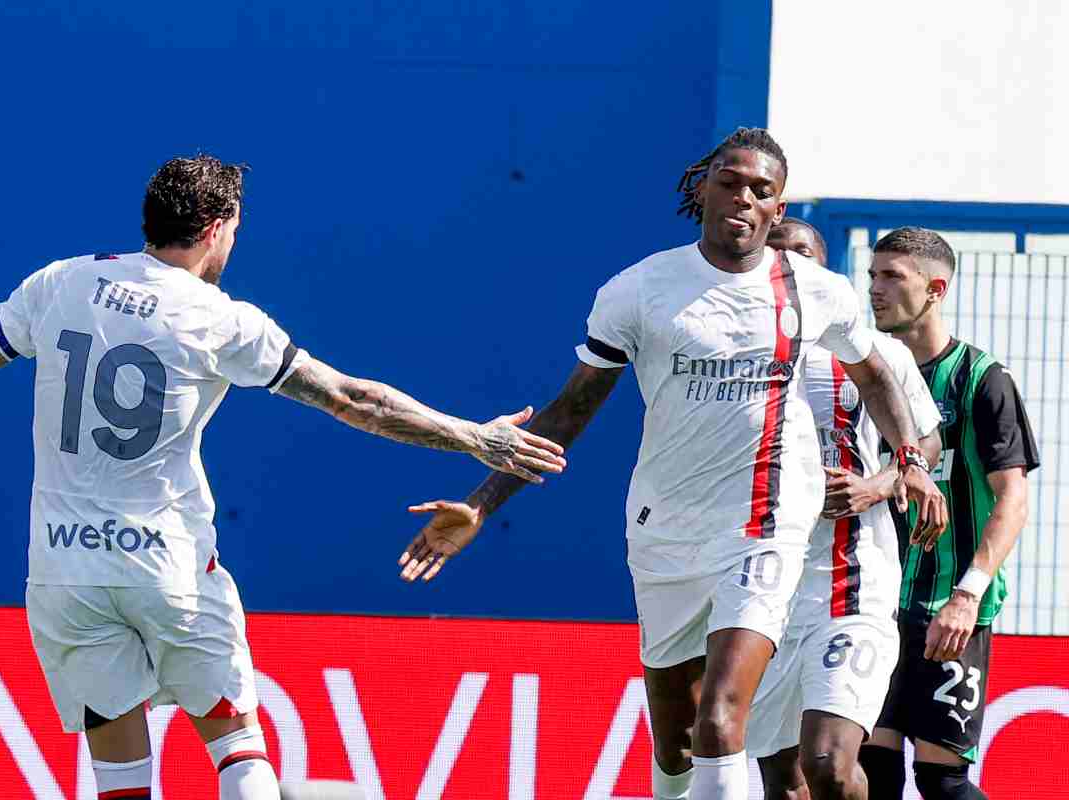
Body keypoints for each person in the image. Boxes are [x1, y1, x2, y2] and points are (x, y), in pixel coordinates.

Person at [0, 155, 567, 800]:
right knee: (236, 745)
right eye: (234, 230)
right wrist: (474, 437)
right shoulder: (218, 318)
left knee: (119, 778)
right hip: (167, 567)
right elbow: (354, 401)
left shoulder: (62, 282)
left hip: (65, 572)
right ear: (215, 228)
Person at [397, 128, 947, 800]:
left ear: (777, 208)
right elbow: (570, 412)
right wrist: (481, 503)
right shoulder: (639, 291)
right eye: (730, 182)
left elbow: (876, 374)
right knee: (678, 745)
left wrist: (908, 460)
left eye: (761, 190)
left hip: (766, 530)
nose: (742, 198)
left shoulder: (815, 292)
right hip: (666, 534)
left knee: (721, 722)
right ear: (703, 188)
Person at [748, 220, 944, 800]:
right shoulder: (735, 354)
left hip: (851, 579)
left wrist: (879, 485)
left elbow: (926, 442)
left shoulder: (876, 352)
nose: (788, 265)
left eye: (801, 255)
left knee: (830, 764)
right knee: (783, 780)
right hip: (761, 587)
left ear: (824, 269)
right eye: (777, 255)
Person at [858, 228, 1039, 800]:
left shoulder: (982, 379)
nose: (875, 289)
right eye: (872, 275)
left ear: (935, 289)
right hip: (871, 604)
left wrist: (967, 596)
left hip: (947, 609)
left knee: (941, 781)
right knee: (867, 772)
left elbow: (1012, 498)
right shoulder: (864, 374)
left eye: (893, 276)